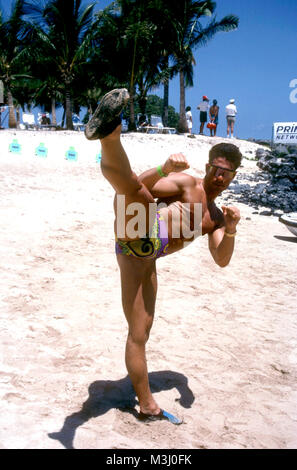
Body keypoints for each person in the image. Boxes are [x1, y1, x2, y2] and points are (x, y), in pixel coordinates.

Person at [85, 88, 242, 425]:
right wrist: (164, 167)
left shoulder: (215, 216)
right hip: (138, 225)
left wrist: (229, 229)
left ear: (232, 178)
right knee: (136, 193)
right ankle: (109, 135)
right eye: (216, 168)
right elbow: (140, 183)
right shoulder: (188, 184)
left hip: (142, 255)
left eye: (226, 173)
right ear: (208, 165)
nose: (219, 176)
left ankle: (146, 405)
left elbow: (222, 259)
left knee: (139, 331)